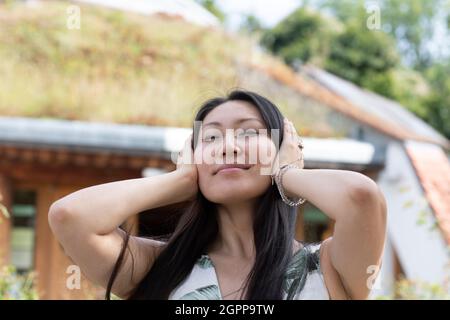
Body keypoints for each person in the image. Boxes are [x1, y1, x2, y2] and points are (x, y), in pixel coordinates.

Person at [48, 90, 387, 300]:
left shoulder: (327, 267)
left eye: (250, 132)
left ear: (282, 150)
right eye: (210, 138)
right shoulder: (158, 266)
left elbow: (360, 197)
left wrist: (286, 174)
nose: (227, 147)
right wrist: (182, 180)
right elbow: (70, 216)